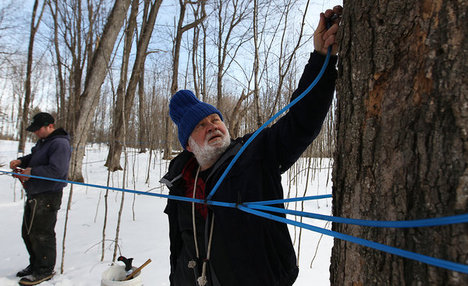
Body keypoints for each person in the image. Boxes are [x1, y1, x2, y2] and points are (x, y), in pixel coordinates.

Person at [160, 6, 342, 286]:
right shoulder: (180, 181)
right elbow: (179, 247)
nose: (212, 126)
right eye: (200, 125)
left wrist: (321, 58)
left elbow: (302, 119)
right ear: (188, 145)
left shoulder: (256, 152)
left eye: (214, 119)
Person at [10, 112, 71, 285]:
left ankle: (44, 270)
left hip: (48, 195)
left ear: (49, 126)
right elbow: (35, 158)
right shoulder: (44, 142)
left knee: (41, 234)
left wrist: (33, 172)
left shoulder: (60, 144)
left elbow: (57, 171)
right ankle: (35, 265)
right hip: (35, 193)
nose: (35, 132)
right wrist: (21, 162)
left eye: (38, 129)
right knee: (28, 232)